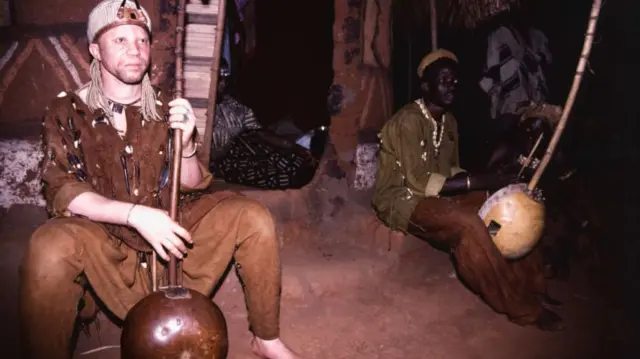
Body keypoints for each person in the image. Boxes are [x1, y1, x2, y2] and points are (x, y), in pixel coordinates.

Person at [18, 1, 301, 358]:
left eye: (141, 40)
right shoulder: (67, 111)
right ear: (95, 50)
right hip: (105, 244)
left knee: (252, 216)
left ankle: (266, 339)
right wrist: (136, 214)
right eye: (120, 40)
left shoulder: (169, 107)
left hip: (171, 244)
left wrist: (185, 146)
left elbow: (194, 184)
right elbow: (64, 191)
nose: (134, 50)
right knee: (49, 244)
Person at [372, 49, 565, 331]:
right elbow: (418, 182)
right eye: (444, 79)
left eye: (455, 80)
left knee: (502, 205)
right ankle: (523, 308)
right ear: (426, 86)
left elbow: (450, 171)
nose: (452, 85)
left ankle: (533, 284)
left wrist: (487, 182)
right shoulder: (408, 121)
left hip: (434, 194)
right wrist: (482, 180)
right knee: (467, 223)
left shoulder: (449, 122)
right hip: (402, 198)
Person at [210, 58, 261, 160]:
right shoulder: (191, 111)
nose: (223, 84)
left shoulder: (236, 107)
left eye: (225, 80)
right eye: (219, 79)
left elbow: (256, 133)